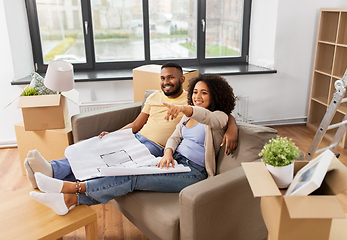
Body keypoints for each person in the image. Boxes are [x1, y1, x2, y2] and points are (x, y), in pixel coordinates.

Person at [29, 73, 236, 215]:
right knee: (125, 168)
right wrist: (168, 152)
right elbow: (175, 137)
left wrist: (184, 109)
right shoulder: (186, 117)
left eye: (204, 93)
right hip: (174, 161)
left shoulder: (218, 118)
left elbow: (208, 117)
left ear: (215, 96)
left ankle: (70, 188)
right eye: (196, 92)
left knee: (132, 177)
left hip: (194, 172)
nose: (197, 97)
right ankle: (68, 200)